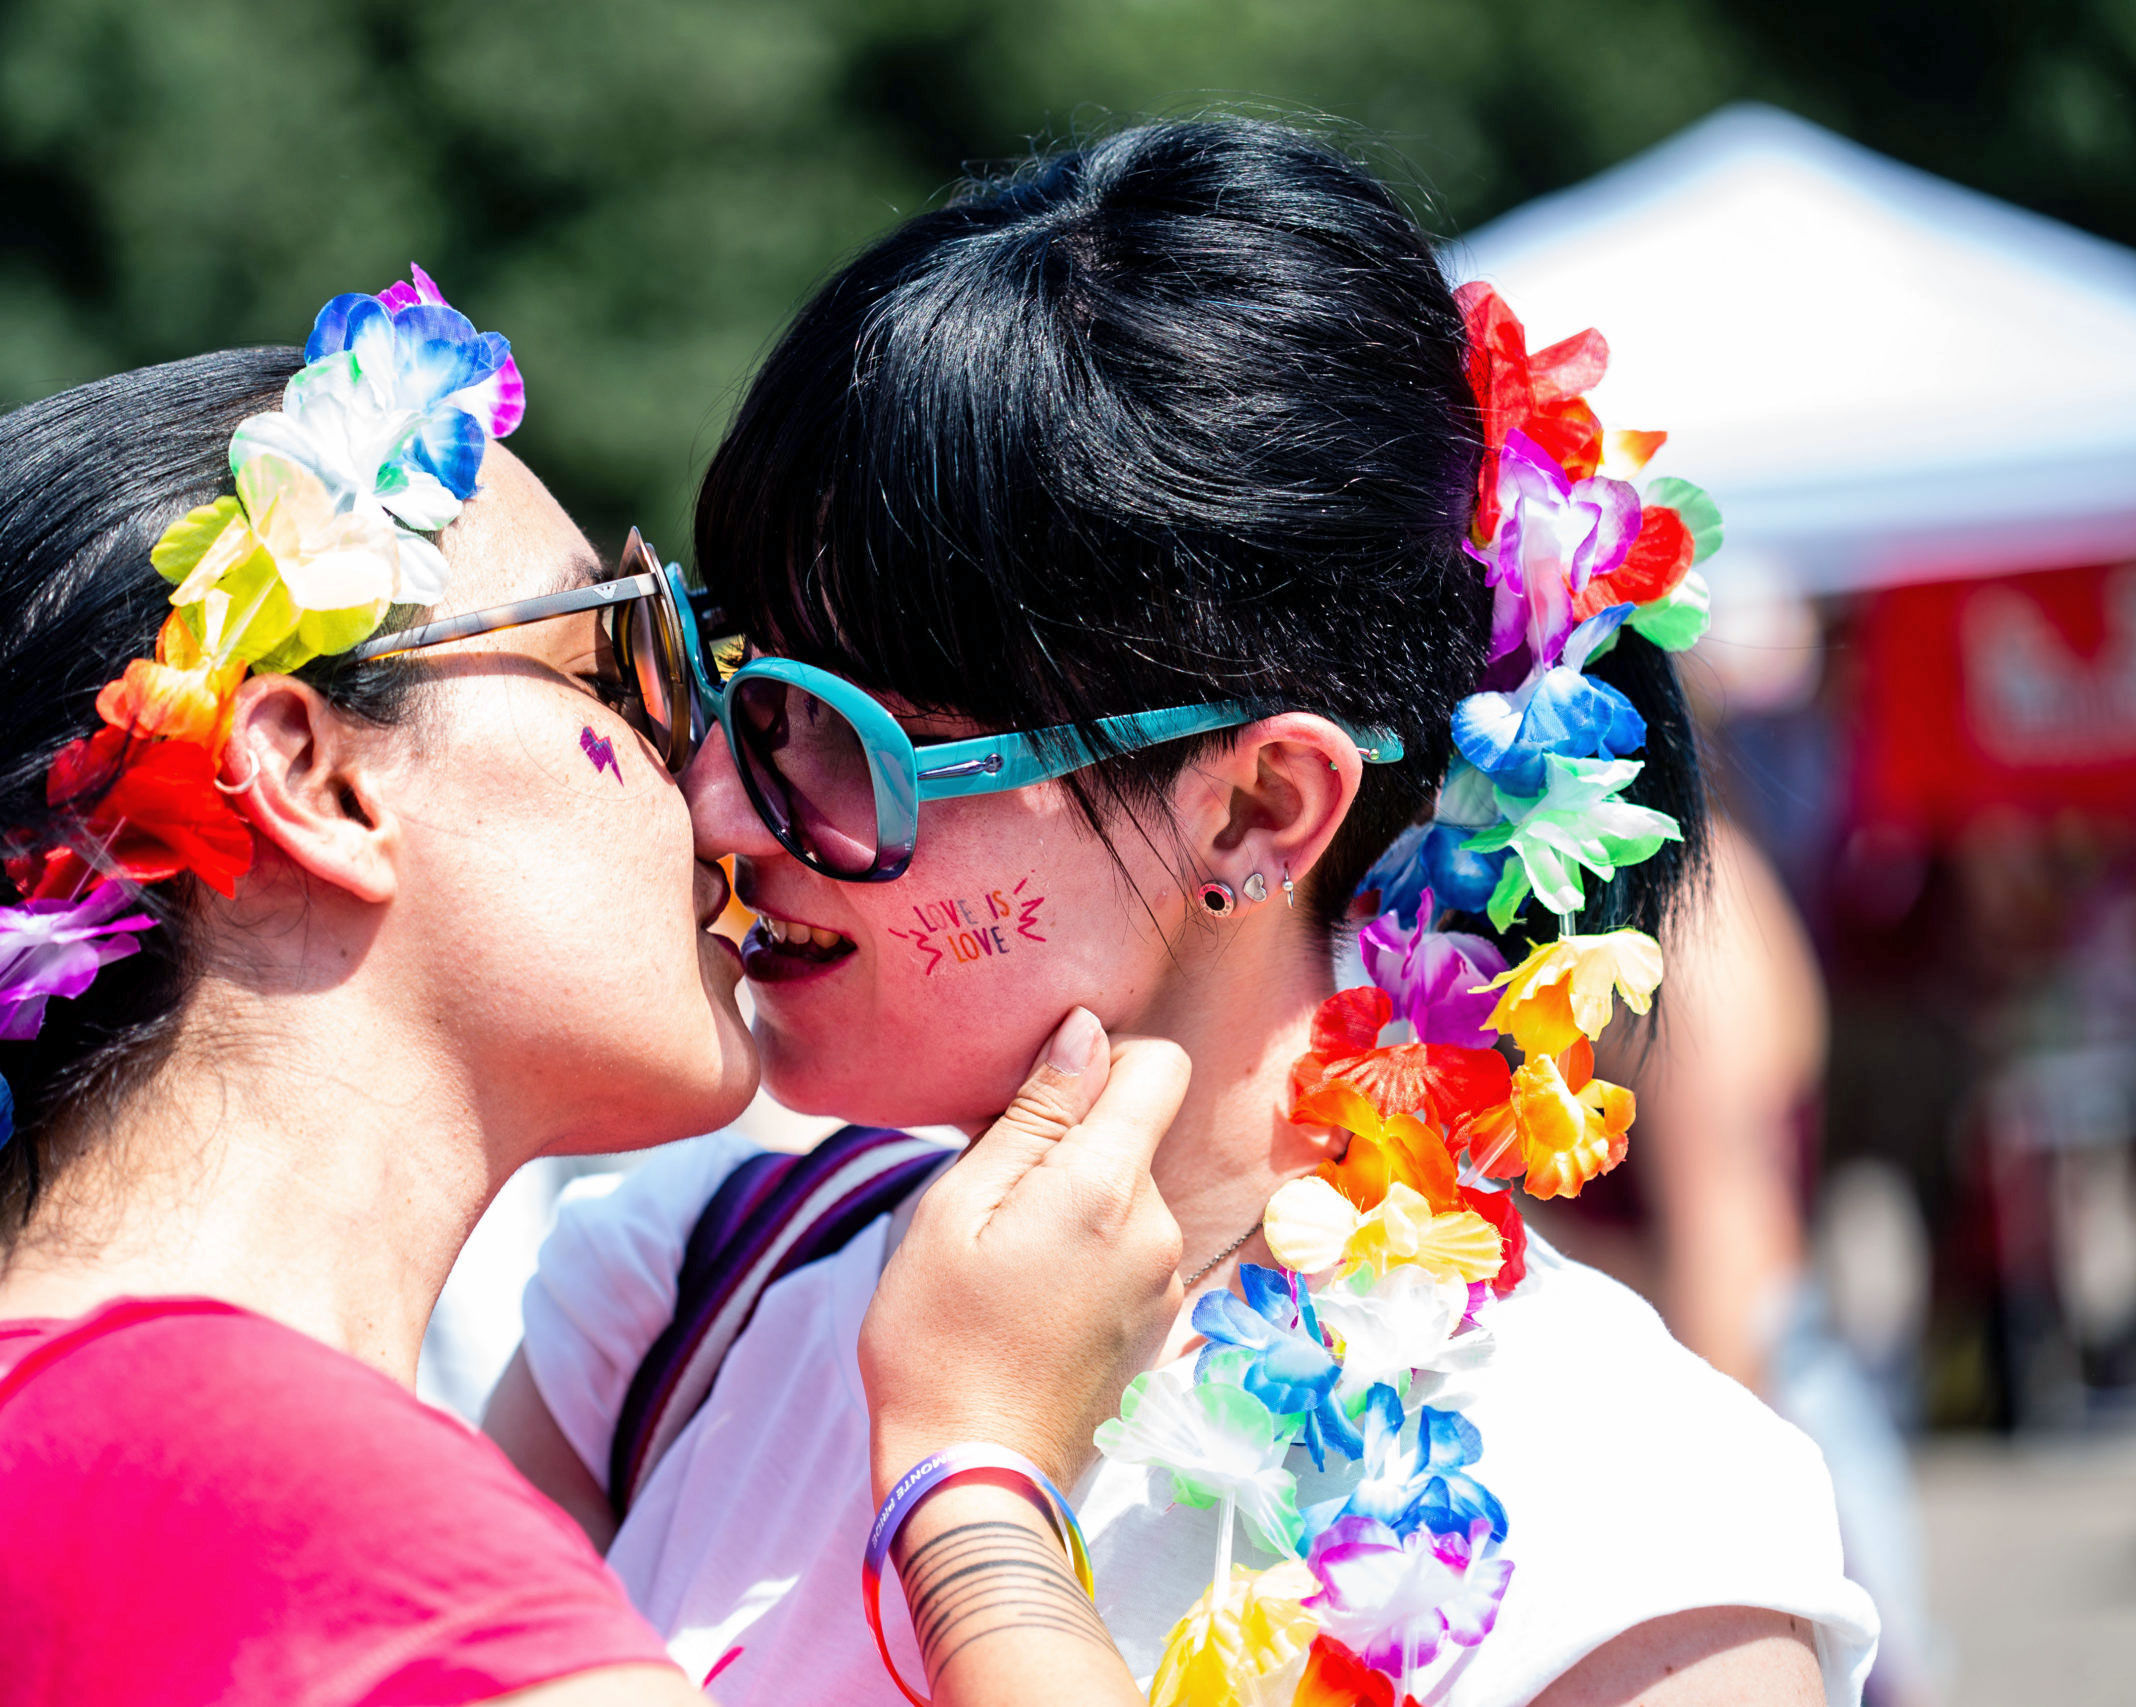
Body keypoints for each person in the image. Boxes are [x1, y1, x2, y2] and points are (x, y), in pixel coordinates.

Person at [0, 278, 1199, 1707]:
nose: (715, 787)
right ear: (313, 779)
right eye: (626, 664)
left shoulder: (13, 1425)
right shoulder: (267, 1495)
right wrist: (972, 1475)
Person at [489, 121, 1881, 1706]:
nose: (724, 808)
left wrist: (968, 1483)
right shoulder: (695, 1285)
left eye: (858, 738)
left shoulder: (1640, 1546)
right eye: (749, 691)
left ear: (1259, 808)